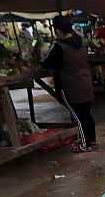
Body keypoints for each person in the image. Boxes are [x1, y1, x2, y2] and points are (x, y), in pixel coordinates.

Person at [41, 16, 96, 153]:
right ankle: (91, 139)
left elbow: (47, 63)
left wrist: (41, 59)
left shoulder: (59, 47)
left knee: (78, 117)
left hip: (70, 86)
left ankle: (85, 144)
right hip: (86, 84)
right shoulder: (81, 43)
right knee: (86, 113)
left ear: (58, 30)